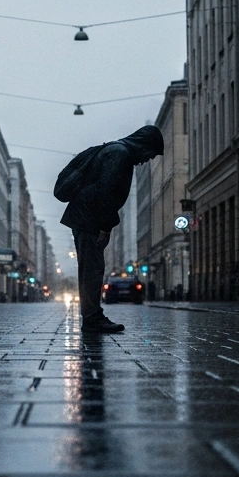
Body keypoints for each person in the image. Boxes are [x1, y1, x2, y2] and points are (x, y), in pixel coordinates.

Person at [61, 126, 164, 333]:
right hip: (88, 217)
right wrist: (105, 228)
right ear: (144, 145)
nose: (147, 159)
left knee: (91, 268)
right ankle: (92, 319)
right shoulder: (121, 154)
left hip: (85, 215)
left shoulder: (117, 151)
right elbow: (105, 193)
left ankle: (92, 316)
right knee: (92, 269)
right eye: (150, 153)